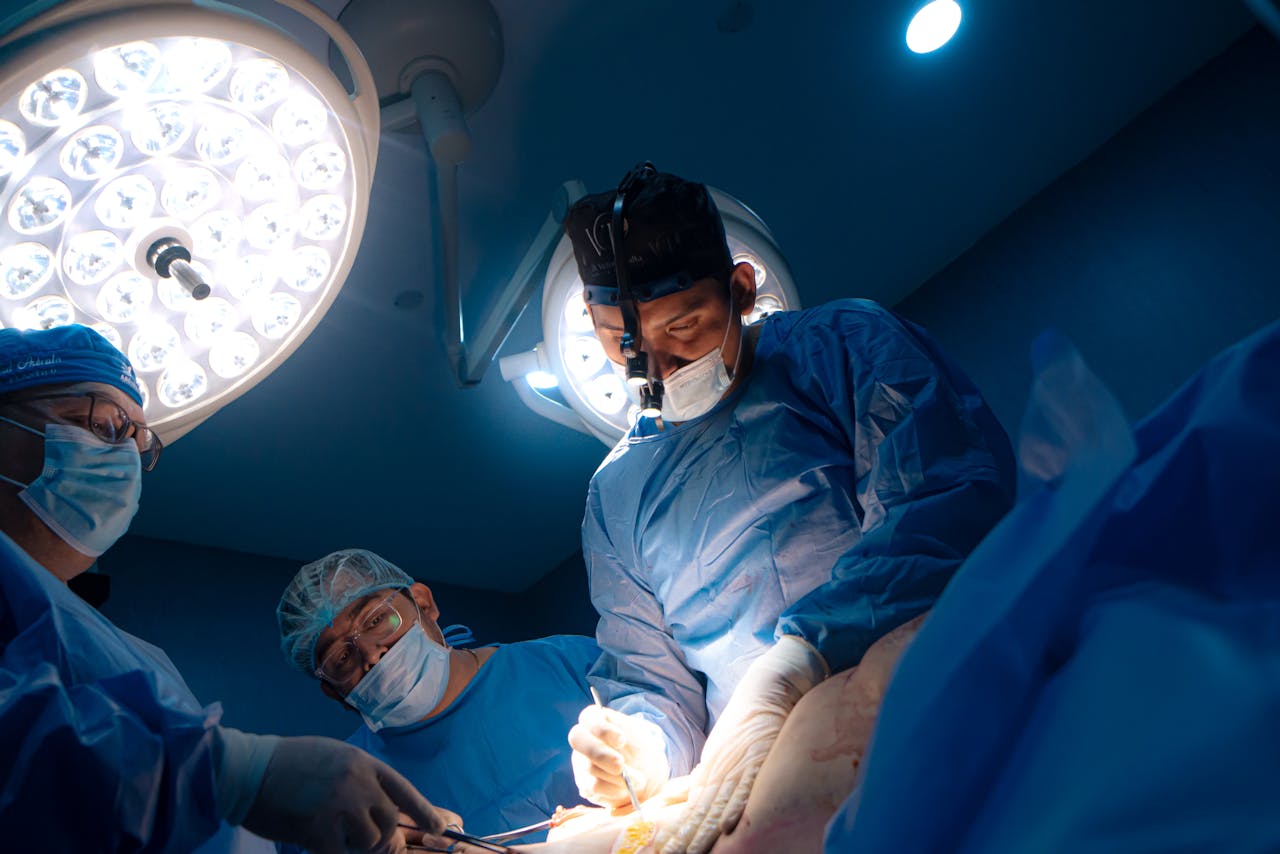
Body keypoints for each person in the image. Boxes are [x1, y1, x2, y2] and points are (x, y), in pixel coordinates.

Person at [562, 166, 1017, 853]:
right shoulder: (616, 493)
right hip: (753, 773)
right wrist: (639, 746)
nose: (652, 371)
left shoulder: (842, 347)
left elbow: (939, 509)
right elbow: (648, 677)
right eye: (624, 343)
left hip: (907, 696)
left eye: (683, 325)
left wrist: (800, 659)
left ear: (742, 290)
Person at [0, 325, 444, 854]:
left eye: (139, 442)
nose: (125, 459)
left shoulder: (128, 653)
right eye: (101, 423)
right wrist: (236, 773)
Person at [277, 549, 599, 844]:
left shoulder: (570, 663)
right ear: (333, 693)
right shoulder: (344, 786)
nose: (372, 655)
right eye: (342, 658)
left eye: (376, 620)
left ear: (423, 603)